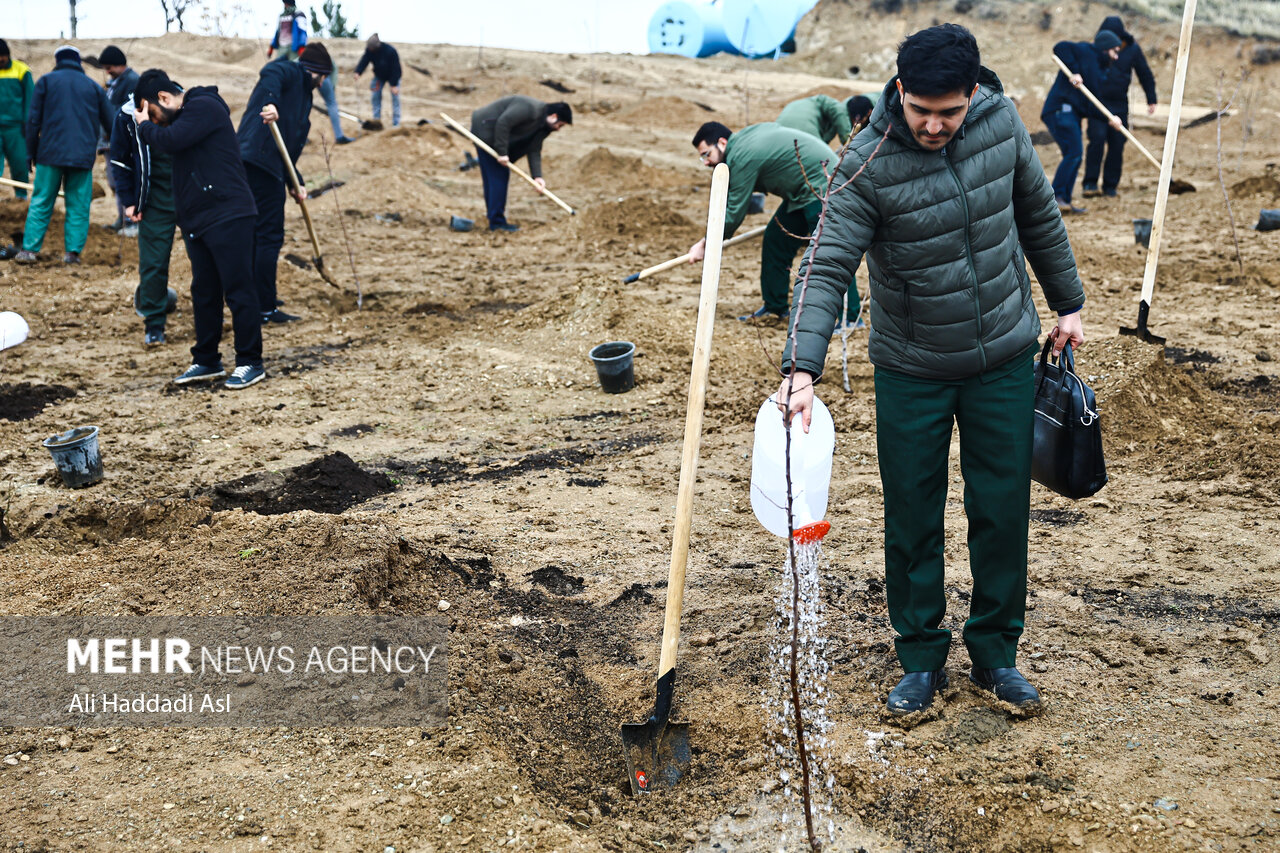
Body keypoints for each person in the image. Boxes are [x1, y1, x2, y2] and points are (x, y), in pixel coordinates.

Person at [776, 23, 1087, 717]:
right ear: (900, 92)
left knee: (1000, 507)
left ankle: (996, 656)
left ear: (972, 94)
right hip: (912, 368)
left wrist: (1067, 303)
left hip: (1004, 353)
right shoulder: (867, 158)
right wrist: (802, 366)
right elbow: (825, 264)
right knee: (912, 511)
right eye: (922, 111)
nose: (935, 125)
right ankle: (919, 657)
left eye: (949, 111)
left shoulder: (1001, 122)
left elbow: (1037, 210)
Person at [132, 69, 265, 390]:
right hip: (200, 221)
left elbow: (169, 140)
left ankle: (251, 362)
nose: (155, 121)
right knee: (204, 293)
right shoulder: (184, 118)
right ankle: (207, 359)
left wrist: (144, 126)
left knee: (239, 290)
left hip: (229, 214)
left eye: (152, 112)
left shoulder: (204, 106)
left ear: (163, 98)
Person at [688, 120, 858, 324]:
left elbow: (734, 211)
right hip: (802, 193)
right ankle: (775, 307)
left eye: (706, 154)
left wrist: (706, 243)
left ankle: (849, 317)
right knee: (776, 239)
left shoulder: (741, 156)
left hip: (826, 187)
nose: (706, 162)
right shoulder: (743, 142)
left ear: (722, 143)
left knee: (828, 253)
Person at [237, 43, 331, 324]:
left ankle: (259, 296)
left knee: (257, 236)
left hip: (270, 165)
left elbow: (287, 147)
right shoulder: (288, 72)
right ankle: (264, 307)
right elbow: (270, 73)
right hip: (258, 164)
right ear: (319, 74)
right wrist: (270, 103)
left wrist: (296, 181)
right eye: (324, 77)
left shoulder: (303, 98)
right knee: (268, 236)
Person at [16, 45, 112, 265]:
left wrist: (30, 152)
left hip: (49, 155)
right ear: (78, 62)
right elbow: (111, 122)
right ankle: (72, 254)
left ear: (57, 61)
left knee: (41, 200)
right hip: (82, 157)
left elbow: (33, 121)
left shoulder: (46, 82)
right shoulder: (93, 86)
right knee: (78, 204)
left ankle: (29, 250)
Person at [109, 92, 177, 346]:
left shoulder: (184, 109)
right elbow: (119, 160)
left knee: (208, 259)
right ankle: (154, 323)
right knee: (153, 262)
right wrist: (129, 201)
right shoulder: (126, 118)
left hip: (189, 193)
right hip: (154, 199)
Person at [1041, 30, 1123, 214]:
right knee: (1074, 152)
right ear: (1105, 48)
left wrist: (1110, 118)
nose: (1116, 57)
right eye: (1115, 51)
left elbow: (1094, 105)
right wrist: (1074, 72)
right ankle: (1056, 199)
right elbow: (1059, 47)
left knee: (1074, 155)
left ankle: (1064, 201)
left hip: (1072, 114)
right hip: (1060, 109)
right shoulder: (1085, 51)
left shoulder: (1100, 72)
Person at [469, 96, 570, 232]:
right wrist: (502, 152)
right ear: (553, 116)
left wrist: (537, 176)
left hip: (495, 134)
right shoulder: (529, 108)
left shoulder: (544, 127)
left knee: (495, 177)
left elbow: (534, 149)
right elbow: (504, 122)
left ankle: (493, 217)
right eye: (560, 125)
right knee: (498, 176)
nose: (558, 129)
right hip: (485, 129)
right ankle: (497, 222)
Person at [1082, 16, 1157, 198]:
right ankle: (1090, 184)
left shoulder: (1132, 49)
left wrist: (1151, 98)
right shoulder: (1096, 48)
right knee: (1097, 141)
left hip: (1119, 105)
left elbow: (1144, 73)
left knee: (1117, 145)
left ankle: (1110, 186)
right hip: (1097, 103)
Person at [97, 45, 140, 234]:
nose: (108, 71)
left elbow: (124, 112)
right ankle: (122, 218)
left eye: (110, 67)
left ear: (119, 64)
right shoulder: (114, 83)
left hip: (120, 140)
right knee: (115, 182)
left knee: (123, 179)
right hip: (109, 140)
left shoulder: (131, 81)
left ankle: (131, 221)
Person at [0, 39, 34, 202]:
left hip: (16, 129)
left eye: (3, 56)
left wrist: (28, 125)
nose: (1, 59)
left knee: (20, 164)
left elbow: (30, 101)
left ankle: (21, 198)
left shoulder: (22, 70)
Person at [776, 93, 875, 147]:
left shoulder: (819, 109)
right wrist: (849, 144)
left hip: (781, 132)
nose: (854, 125)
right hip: (800, 134)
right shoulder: (838, 111)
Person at [353, 34, 401, 128]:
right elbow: (364, 60)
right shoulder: (369, 51)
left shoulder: (390, 51)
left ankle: (396, 123)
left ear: (376, 46)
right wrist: (358, 71)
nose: (369, 49)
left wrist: (394, 85)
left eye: (371, 48)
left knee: (395, 98)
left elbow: (396, 69)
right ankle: (376, 121)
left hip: (393, 76)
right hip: (379, 76)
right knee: (375, 96)